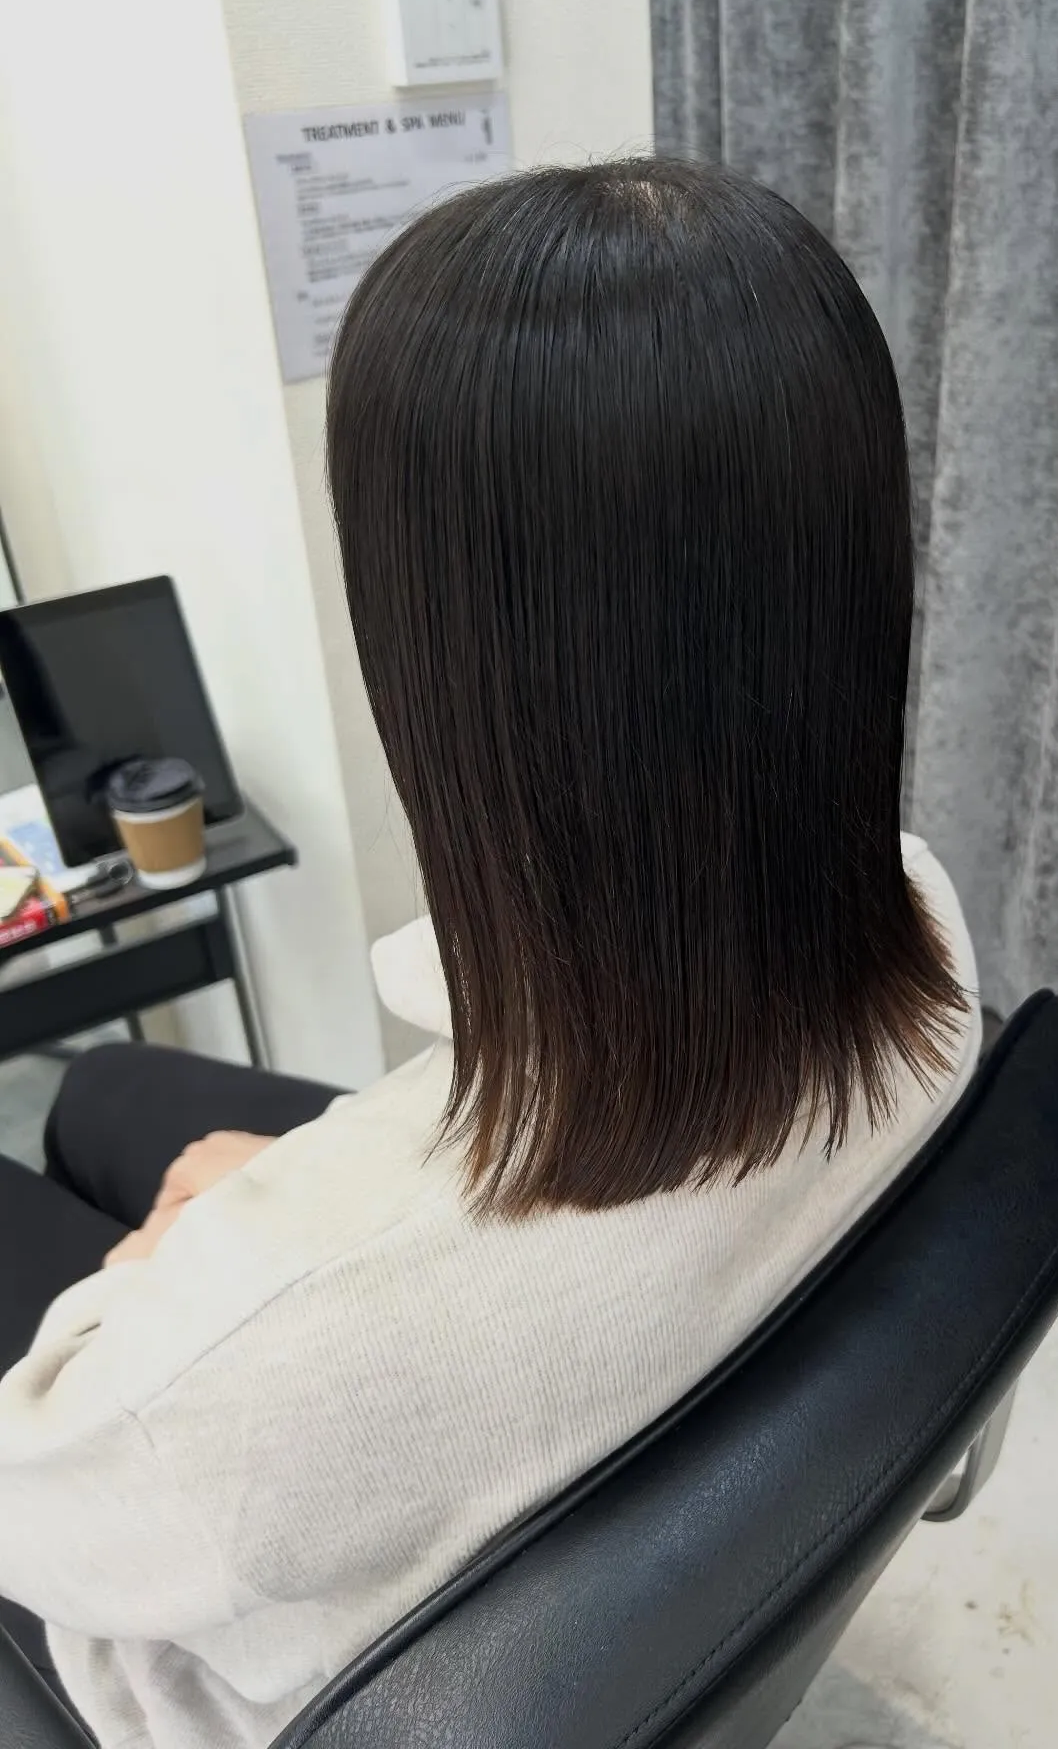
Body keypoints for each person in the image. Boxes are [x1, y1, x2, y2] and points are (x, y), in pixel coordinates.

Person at [0, 158, 980, 1749]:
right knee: (111, 1094)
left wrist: (179, 1269)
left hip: (231, 1635)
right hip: (501, 1315)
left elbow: (41, 1501)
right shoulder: (920, 934)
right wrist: (272, 1212)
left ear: (446, 651)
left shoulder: (271, 1351)